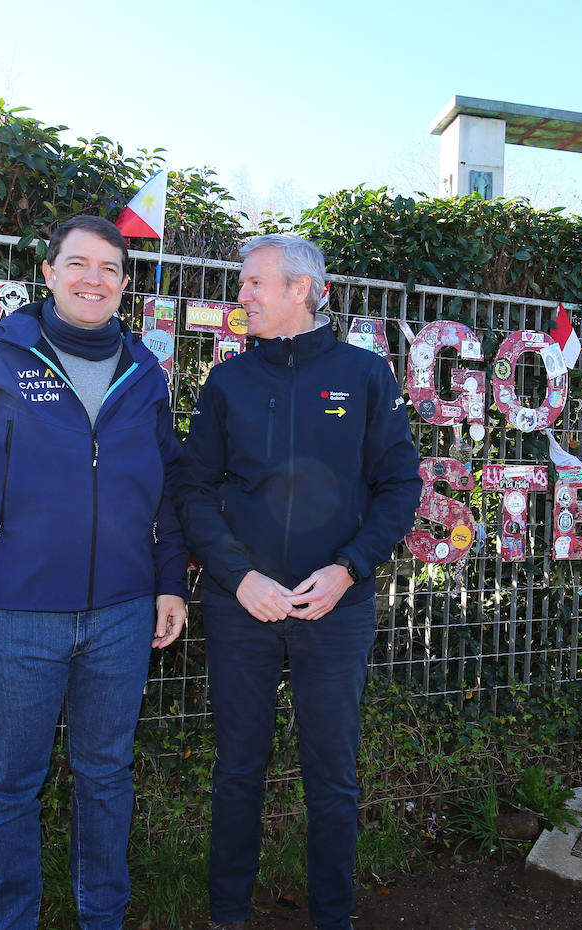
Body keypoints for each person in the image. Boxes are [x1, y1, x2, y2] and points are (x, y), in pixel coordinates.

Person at [0, 214, 188, 930]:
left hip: (123, 617)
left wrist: (169, 582)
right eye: (78, 264)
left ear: (126, 285)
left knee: (106, 777)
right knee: (9, 786)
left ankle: (105, 917)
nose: (92, 279)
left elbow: (167, 487)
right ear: (48, 273)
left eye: (108, 268)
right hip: (13, 617)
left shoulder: (146, 371)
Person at [175, 234, 421, 930]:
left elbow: (400, 487)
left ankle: (332, 916)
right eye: (242, 283)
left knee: (333, 776)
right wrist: (239, 574)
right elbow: (193, 489)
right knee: (238, 771)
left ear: (303, 290)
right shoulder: (227, 382)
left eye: (254, 283)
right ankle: (228, 914)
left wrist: (347, 570)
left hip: (334, 611)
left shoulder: (368, 377)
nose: (242, 295)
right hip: (240, 608)